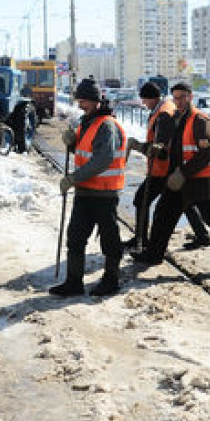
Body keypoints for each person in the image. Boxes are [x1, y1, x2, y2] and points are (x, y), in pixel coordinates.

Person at [133, 82, 210, 276]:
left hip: (200, 180)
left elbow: (206, 153)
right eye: (175, 98)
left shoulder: (199, 120)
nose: (178, 101)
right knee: (163, 212)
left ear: (190, 96)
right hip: (180, 180)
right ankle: (154, 253)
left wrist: (182, 173)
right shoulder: (179, 119)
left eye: (182, 97)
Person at [50, 78, 127, 298]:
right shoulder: (87, 122)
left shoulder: (107, 126)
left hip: (104, 193)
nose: (80, 104)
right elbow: (86, 153)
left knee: (109, 239)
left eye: (84, 100)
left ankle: (111, 281)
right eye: (79, 100)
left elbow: (102, 159)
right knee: (75, 237)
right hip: (85, 192)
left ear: (96, 101)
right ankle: (74, 282)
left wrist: (73, 178)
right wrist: (72, 143)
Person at [125, 80, 210, 252]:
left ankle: (141, 239)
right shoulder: (166, 109)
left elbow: (161, 149)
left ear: (153, 98)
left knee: (141, 200)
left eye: (145, 99)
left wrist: (140, 147)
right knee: (184, 202)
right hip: (168, 168)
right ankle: (202, 236)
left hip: (162, 169)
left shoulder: (163, 115)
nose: (143, 103)